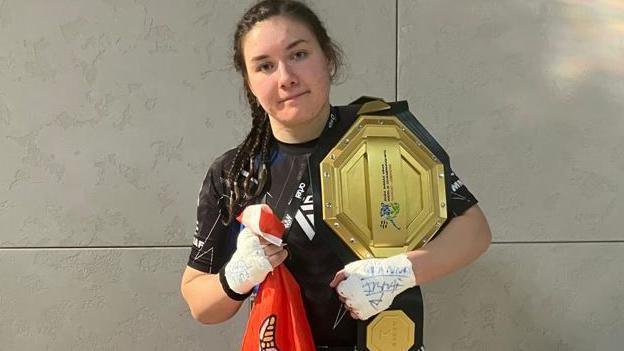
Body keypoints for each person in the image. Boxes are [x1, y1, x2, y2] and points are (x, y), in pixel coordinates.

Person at [180, 0, 492, 349]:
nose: (286, 78)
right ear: (249, 83)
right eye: (265, 66)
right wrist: (236, 276)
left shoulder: (384, 138)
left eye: (298, 55)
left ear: (328, 58)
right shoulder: (234, 173)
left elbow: (474, 230)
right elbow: (199, 302)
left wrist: (397, 274)